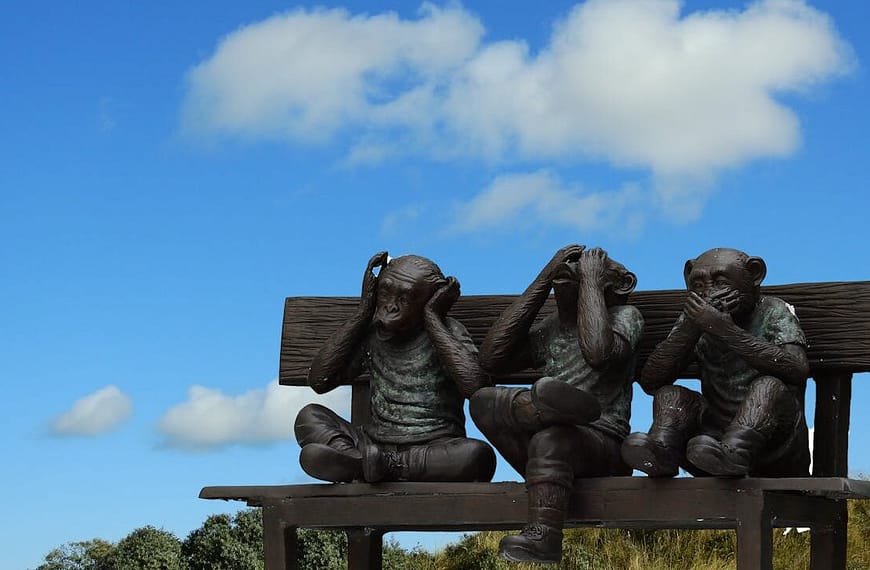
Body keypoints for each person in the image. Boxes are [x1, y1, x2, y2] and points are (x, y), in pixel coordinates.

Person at [470, 246, 643, 563]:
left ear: (622, 284)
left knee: (553, 437)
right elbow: (491, 359)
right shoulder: (550, 329)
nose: (578, 268)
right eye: (573, 266)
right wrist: (544, 278)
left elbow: (598, 353)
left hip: (604, 445)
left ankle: (544, 538)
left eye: (590, 265)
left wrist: (590, 280)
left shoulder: (625, 316)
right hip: (546, 447)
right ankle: (550, 408)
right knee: (483, 402)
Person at [295, 251, 496, 483]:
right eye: (385, 292)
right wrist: (363, 312)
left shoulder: (448, 331)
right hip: (372, 444)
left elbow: (476, 388)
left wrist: (432, 318)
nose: (390, 306)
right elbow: (320, 381)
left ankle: (380, 467)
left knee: (477, 456)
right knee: (308, 416)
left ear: (430, 300)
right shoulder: (371, 334)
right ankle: (356, 460)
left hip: (434, 447)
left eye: (404, 298)